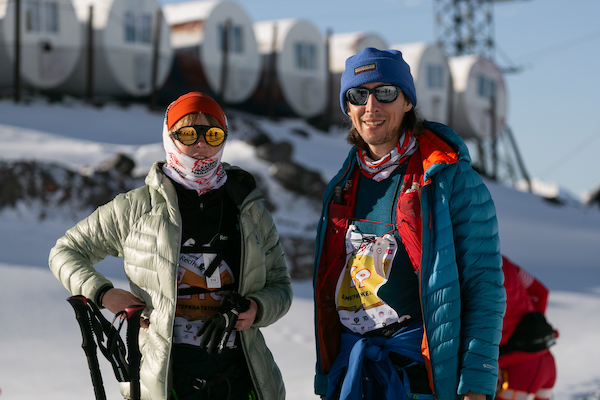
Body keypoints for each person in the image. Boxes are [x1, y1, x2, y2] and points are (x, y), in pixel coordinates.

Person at [49, 92, 293, 400]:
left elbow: (280, 285)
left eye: (213, 134)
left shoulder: (248, 208)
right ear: (169, 137)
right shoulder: (136, 208)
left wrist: (257, 308)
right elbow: (65, 252)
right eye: (188, 134)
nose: (201, 144)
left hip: (241, 379)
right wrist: (104, 294)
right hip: (166, 381)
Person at [312, 47, 506, 400]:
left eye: (385, 92)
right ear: (348, 108)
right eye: (358, 95)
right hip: (351, 372)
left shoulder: (449, 179)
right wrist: (326, 379)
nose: (371, 106)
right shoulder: (342, 185)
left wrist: (477, 382)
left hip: (418, 377)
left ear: (407, 102)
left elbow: (484, 284)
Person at [496, 256, 558, 400]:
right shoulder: (504, 262)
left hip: (517, 368)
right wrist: (534, 332)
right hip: (544, 358)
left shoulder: (470, 269)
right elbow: (541, 292)